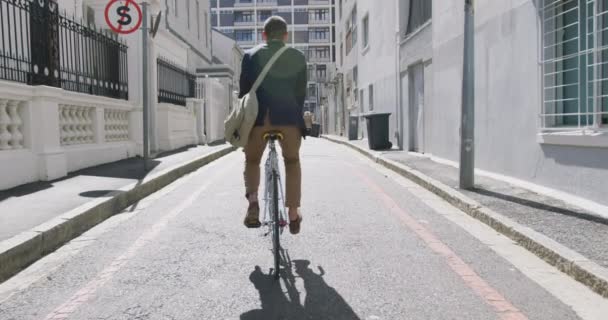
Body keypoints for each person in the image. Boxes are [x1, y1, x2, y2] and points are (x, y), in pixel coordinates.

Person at [239, 16, 307, 235]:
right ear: (286, 36)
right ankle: (294, 214)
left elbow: (243, 94)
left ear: (264, 35)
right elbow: (300, 94)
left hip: (259, 120)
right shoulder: (298, 57)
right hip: (288, 119)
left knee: (251, 159)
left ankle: (253, 202)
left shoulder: (250, 56)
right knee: (292, 161)